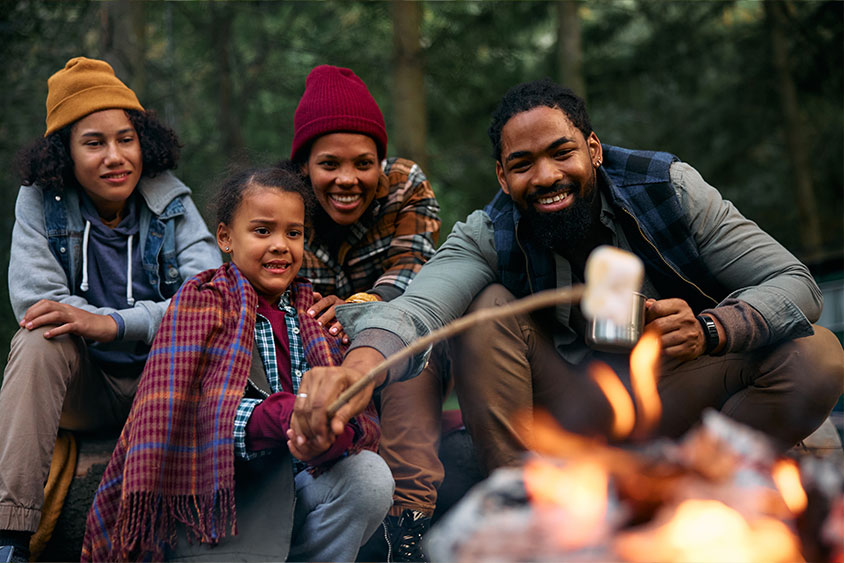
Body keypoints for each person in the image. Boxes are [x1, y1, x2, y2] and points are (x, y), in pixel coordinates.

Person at [292, 78, 844, 478]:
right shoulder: (488, 231)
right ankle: (526, 499)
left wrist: (712, 328)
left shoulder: (668, 189)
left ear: (594, 150)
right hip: (569, 404)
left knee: (817, 356)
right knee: (485, 305)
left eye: (562, 153)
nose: (548, 176)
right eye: (524, 164)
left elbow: (794, 282)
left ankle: (699, 479)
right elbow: (418, 309)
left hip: (678, 383)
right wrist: (357, 371)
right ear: (504, 178)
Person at [82, 166, 393, 561]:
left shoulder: (313, 315)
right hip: (225, 502)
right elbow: (191, 412)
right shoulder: (200, 303)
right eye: (262, 231)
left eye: (293, 233)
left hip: (302, 485)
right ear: (225, 237)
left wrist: (328, 426)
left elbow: (351, 407)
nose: (280, 245)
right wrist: (287, 415)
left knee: (369, 477)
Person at [0, 56, 221, 563]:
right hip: (87, 388)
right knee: (36, 338)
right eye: (94, 143)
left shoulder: (172, 203)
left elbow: (210, 295)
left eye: (126, 138)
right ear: (66, 154)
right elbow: (36, 300)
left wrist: (115, 323)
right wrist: (89, 327)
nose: (115, 156)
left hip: (162, 386)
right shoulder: (40, 202)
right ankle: (10, 539)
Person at [288, 64, 445, 561]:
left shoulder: (406, 187)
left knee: (407, 359)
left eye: (364, 163)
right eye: (329, 164)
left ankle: (408, 527)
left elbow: (412, 274)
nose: (348, 179)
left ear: (382, 161)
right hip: (317, 353)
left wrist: (358, 308)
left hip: (401, 340)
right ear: (304, 167)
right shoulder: (283, 205)